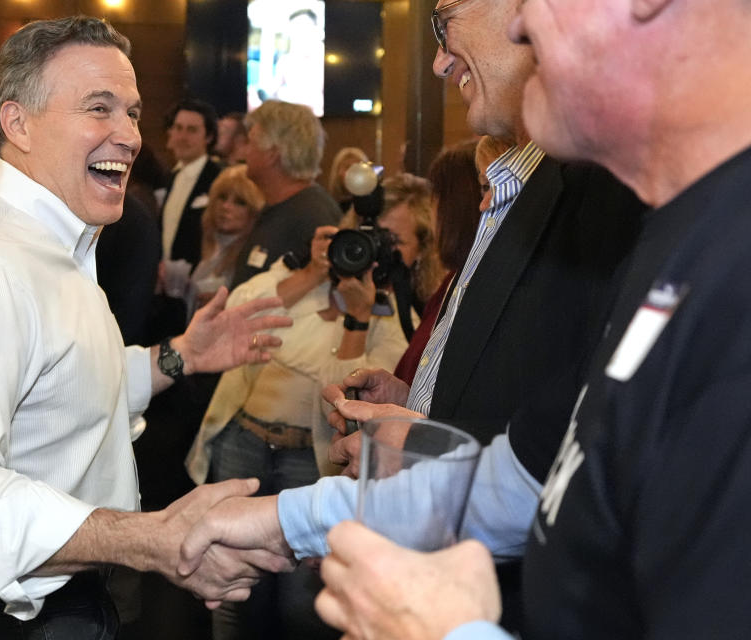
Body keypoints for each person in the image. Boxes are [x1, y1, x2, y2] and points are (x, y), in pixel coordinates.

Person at [179, 0, 644, 630]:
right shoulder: (529, 180)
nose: (438, 59)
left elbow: (581, 453)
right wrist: (420, 405)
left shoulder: (614, 191)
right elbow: (544, 433)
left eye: (445, 18)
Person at [314, 0, 751, 638]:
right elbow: (538, 464)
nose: (522, 23)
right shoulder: (682, 227)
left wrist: (442, 631)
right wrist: (284, 519)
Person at [0, 16, 294, 639]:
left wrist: (178, 356)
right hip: (1, 619)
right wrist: (144, 539)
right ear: (17, 124)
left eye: (131, 112)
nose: (129, 135)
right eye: (99, 108)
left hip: (63, 600)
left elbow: (59, 387)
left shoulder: (56, 244)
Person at [187, 175, 424, 640]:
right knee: (232, 592)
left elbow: (349, 396)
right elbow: (237, 312)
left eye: (387, 241)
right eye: (355, 234)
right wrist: (313, 273)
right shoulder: (300, 276)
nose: (361, 249)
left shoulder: (394, 314)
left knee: (303, 606)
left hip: (311, 463)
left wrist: (358, 317)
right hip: (244, 443)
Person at [394, 138, 506, 385]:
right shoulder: (454, 280)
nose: (431, 208)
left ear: (455, 207)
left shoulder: (480, 287)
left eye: (436, 197)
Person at [230, 100, 342, 288]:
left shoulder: (313, 217)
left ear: (272, 154)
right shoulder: (279, 205)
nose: (244, 152)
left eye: (250, 142)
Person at [154, 98, 224, 339]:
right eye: (178, 128)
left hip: (202, 290)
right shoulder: (172, 177)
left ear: (209, 137)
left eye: (192, 130)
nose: (183, 136)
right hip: (171, 290)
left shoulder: (218, 178)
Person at [185, 165, 264, 320]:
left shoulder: (253, 256)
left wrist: (229, 303)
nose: (226, 206)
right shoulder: (199, 240)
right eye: (222, 197)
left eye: (240, 202)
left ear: (254, 211)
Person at [326, 147, 368, 213]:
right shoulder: (328, 206)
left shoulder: (371, 206)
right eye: (348, 167)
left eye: (357, 167)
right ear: (338, 172)